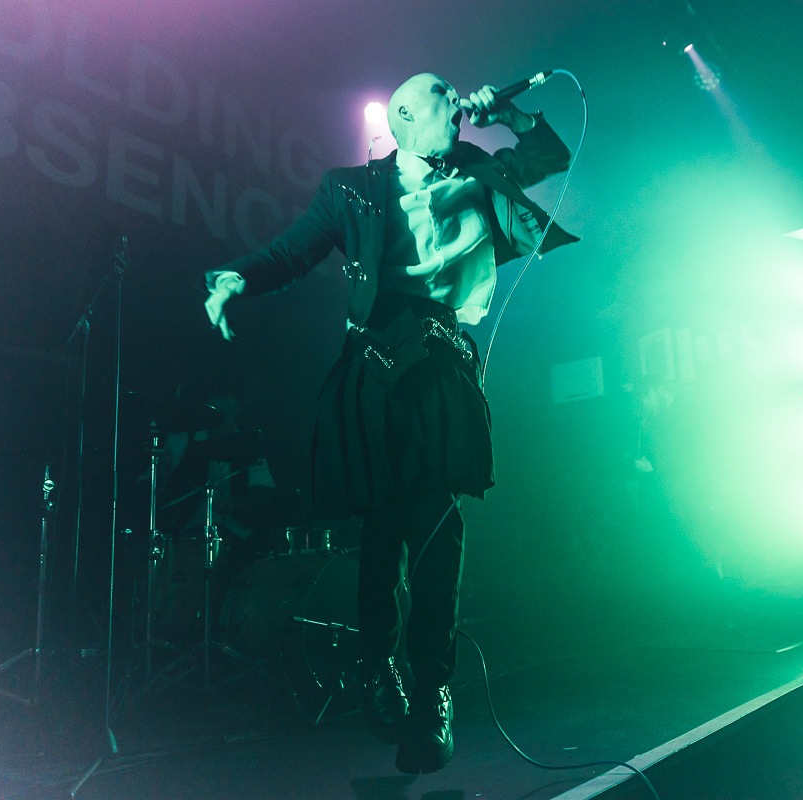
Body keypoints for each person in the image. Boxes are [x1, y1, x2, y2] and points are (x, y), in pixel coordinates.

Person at [203, 72, 577, 773]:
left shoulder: (479, 169)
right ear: (403, 116)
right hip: (375, 359)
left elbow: (552, 155)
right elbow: (292, 251)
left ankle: (434, 690)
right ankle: (379, 669)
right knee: (381, 528)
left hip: (441, 358)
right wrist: (234, 278)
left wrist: (515, 115)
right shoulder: (350, 188)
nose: (456, 100)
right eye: (441, 94)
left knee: (437, 527)